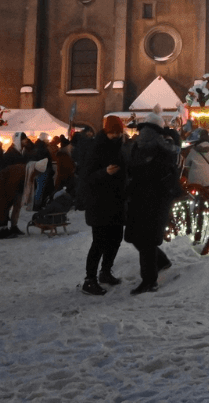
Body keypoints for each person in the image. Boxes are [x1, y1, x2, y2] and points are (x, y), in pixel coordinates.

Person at [124, 122, 181, 294]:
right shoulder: (140, 152)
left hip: (154, 203)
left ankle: (149, 281)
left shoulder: (161, 153)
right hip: (140, 201)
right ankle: (161, 261)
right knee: (135, 237)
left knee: (146, 240)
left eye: (143, 133)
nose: (139, 137)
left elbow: (157, 178)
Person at [82, 115, 128, 295]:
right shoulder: (96, 148)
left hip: (116, 202)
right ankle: (89, 279)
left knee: (116, 239)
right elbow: (87, 178)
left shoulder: (121, 147)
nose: (115, 136)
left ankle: (106, 271)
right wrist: (104, 173)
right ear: (107, 131)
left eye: (118, 132)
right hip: (99, 203)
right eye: (112, 133)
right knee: (99, 242)